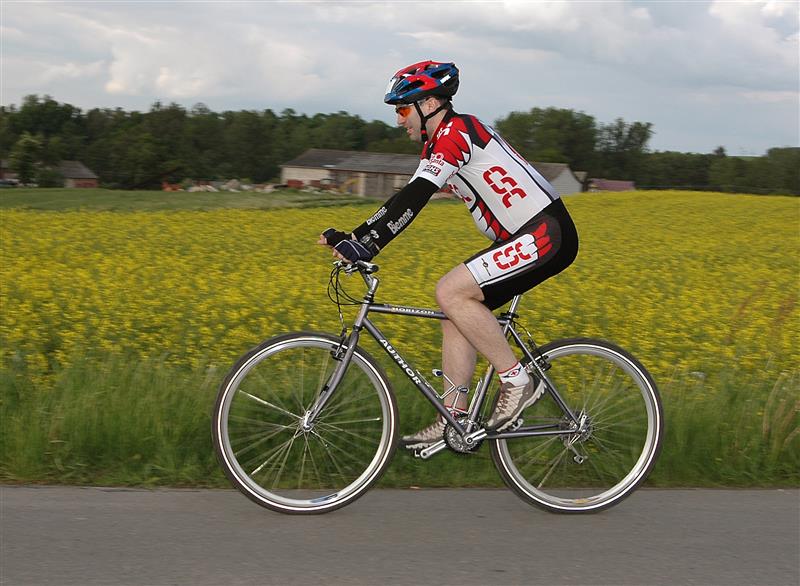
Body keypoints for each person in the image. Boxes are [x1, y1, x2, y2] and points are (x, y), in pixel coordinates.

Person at [318, 60, 579, 449]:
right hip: (523, 236)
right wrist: (358, 237)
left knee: (451, 292)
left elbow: (415, 197)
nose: (399, 120)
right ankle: (452, 419)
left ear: (429, 105)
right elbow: (403, 199)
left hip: (544, 233)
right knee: (455, 315)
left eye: (402, 110)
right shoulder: (439, 143)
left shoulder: (458, 133)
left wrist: (367, 243)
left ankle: (517, 381)